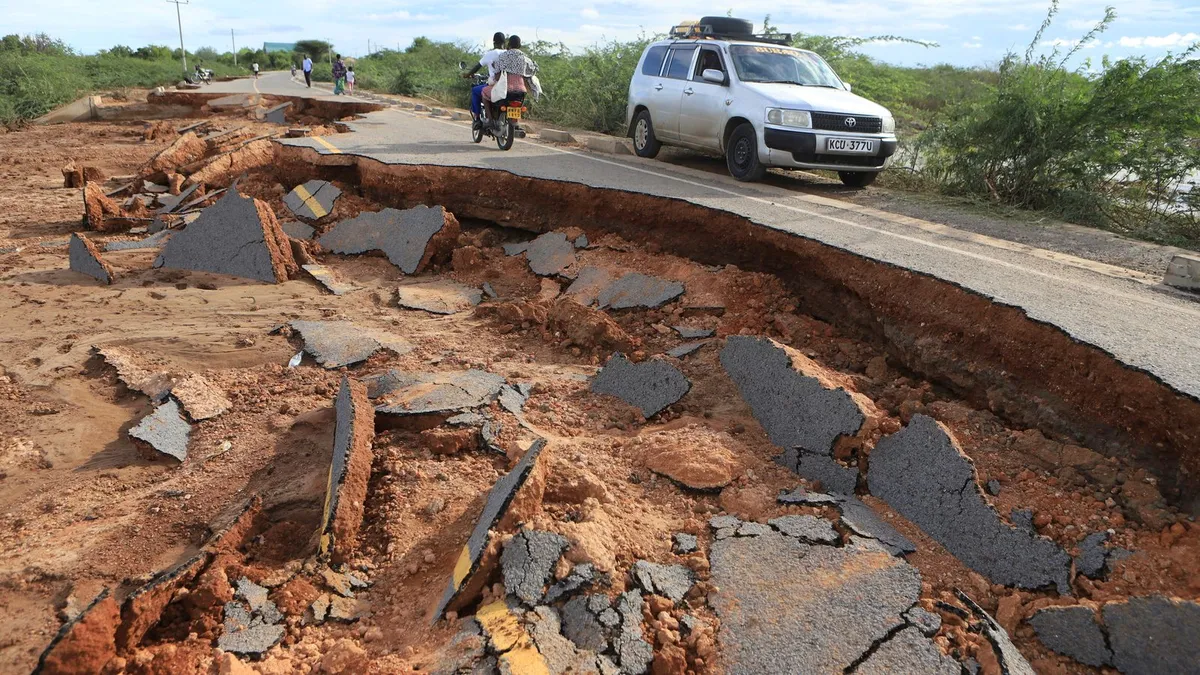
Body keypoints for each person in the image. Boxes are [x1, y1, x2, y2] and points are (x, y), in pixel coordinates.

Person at [483, 35, 537, 122]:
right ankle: (515, 122)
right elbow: (532, 73)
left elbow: (497, 76)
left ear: (509, 44)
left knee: (484, 92)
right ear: (519, 45)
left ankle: (490, 121)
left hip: (505, 90)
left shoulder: (503, 56)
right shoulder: (526, 58)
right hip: (521, 91)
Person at [461, 32, 506, 120]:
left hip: (495, 85)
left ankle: (477, 117)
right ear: (504, 42)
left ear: (494, 42)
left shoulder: (491, 54)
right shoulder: (508, 53)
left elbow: (477, 67)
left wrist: (467, 75)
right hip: (508, 85)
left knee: (475, 90)